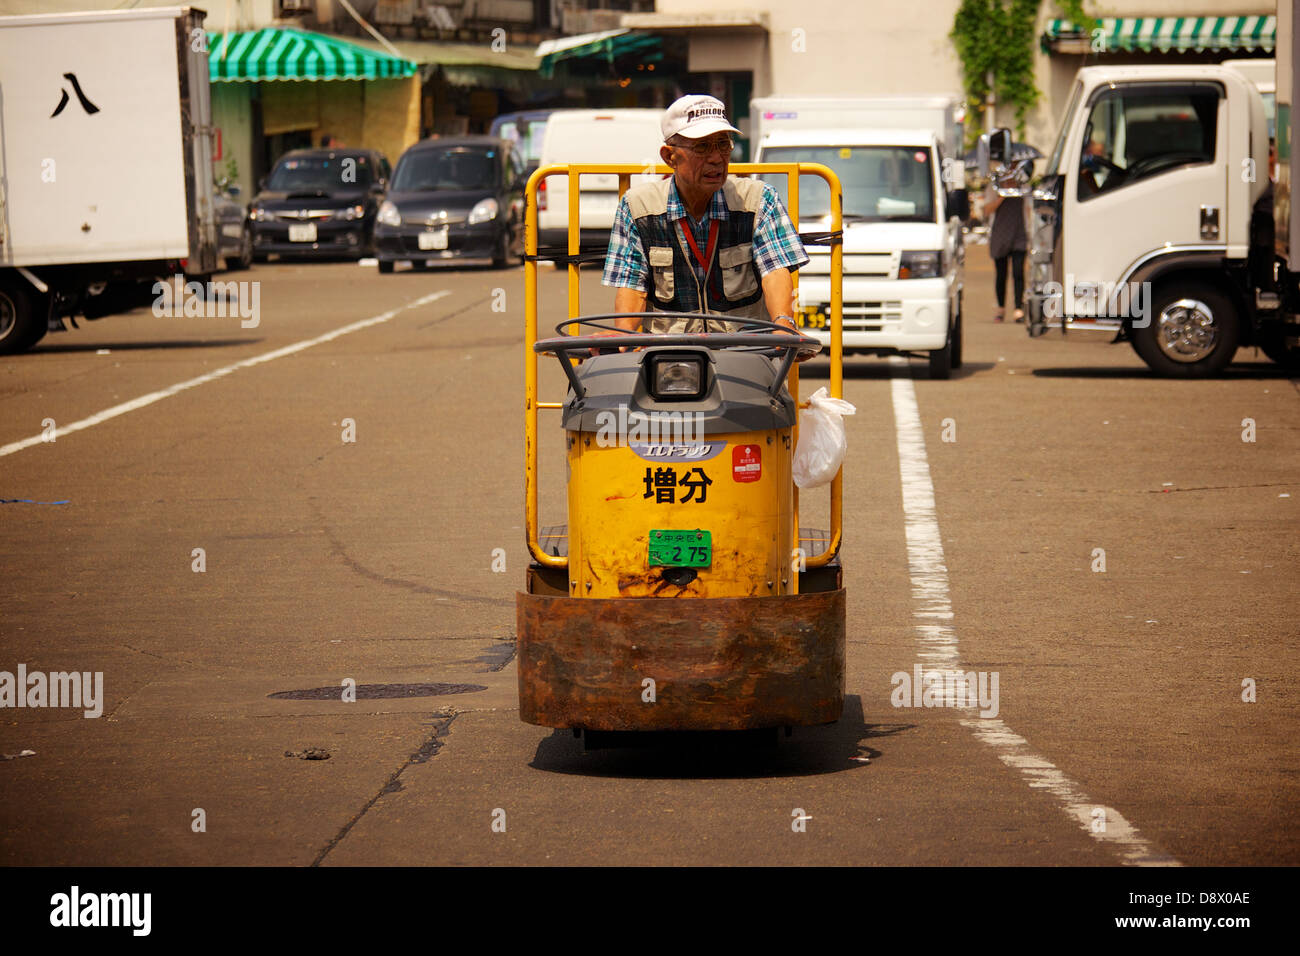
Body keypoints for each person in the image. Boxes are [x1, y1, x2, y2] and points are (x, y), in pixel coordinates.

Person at [600, 94, 809, 347]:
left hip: (746, 356)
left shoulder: (759, 200)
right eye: (702, 147)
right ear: (669, 157)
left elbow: (775, 270)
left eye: (723, 144)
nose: (716, 158)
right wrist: (624, 337)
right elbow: (632, 285)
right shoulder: (637, 207)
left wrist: (784, 326)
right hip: (669, 359)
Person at [984, 163, 1028, 322]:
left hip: (1019, 234)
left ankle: (1018, 309)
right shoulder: (994, 187)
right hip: (1000, 235)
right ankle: (1001, 309)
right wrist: (1002, 195)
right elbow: (986, 210)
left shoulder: (1023, 186)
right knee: (1001, 274)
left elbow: (1028, 210)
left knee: (1018, 272)